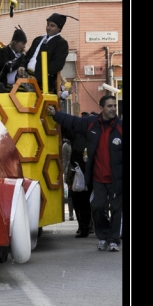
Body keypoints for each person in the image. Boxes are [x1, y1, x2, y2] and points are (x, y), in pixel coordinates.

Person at [47, 95, 122, 251]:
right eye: (109, 106)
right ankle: (103, 236)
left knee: (116, 210)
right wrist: (55, 114)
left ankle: (114, 240)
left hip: (117, 179)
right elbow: (73, 122)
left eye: (115, 105)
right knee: (97, 207)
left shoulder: (122, 127)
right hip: (98, 178)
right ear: (101, 108)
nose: (113, 108)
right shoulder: (91, 124)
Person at [18, 13, 77, 94]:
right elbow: (27, 56)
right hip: (26, 77)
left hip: (43, 82)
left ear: (59, 28)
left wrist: (38, 77)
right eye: (48, 24)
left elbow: (56, 65)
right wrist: (22, 66)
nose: (48, 28)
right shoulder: (38, 39)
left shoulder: (61, 43)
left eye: (52, 26)